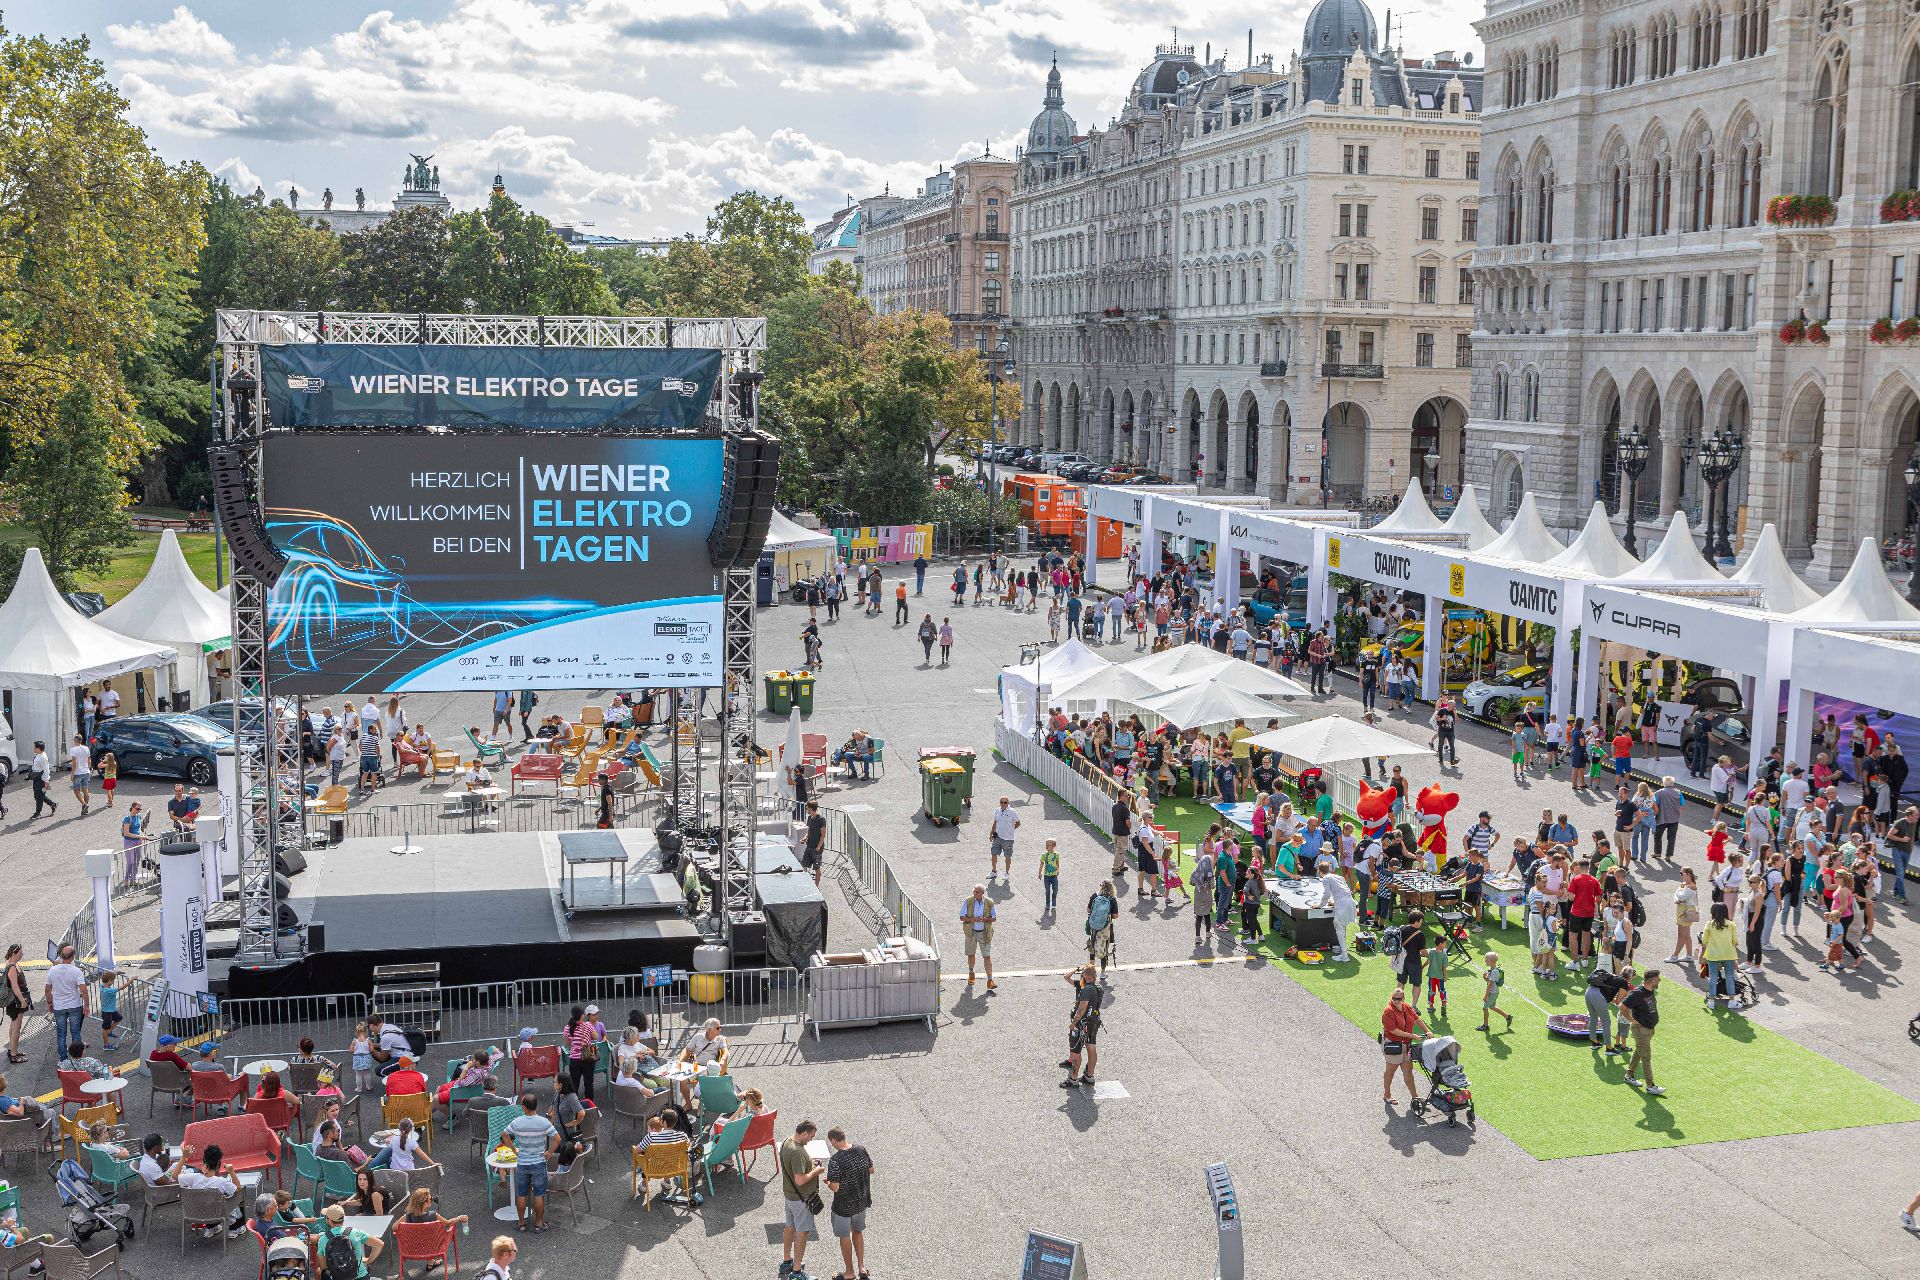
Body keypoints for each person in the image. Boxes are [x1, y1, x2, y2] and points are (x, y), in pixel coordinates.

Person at [504, 1092, 559, 1233]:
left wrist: (513, 1149)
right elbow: (557, 1139)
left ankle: (521, 1224)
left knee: (522, 1194)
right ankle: (539, 1224)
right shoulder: (544, 1122)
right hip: (539, 1162)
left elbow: (504, 1134)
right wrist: (549, 1152)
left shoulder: (517, 1122)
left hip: (522, 1162)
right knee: (539, 1194)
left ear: (524, 1107)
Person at [824, 1127, 874, 1280]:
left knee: (844, 1236)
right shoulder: (861, 1149)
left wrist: (828, 1182)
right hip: (861, 1202)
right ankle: (862, 1267)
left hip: (843, 1206)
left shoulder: (835, 1160)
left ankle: (849, 1272)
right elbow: (871, 1169)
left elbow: (835, 1187)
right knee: (858, 1232)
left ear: (833, 1140)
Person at [780, 1121, 825, 1280]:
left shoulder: (786, 1142)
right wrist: (817, 1170)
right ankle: (797, 1272)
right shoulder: (797, 1151)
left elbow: (793, 1170)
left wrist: (809, 1165)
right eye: (811, 1136)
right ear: (804, 1133)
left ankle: (787, 1261)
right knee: (802, 1232)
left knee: (789, 1227)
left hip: (789, 1195)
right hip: (801, 1199)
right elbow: (800, 1180)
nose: (810, 1140)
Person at [179, 1144, 249, 1236]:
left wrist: (184, 1157)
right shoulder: (222, 1182)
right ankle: (235, 1228)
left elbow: (175, 1176)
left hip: (196, 1214)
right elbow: (238, 1189)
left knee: (209, 1201)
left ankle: (211, 1228)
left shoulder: (193, 1177)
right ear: (218, 1166)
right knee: (238, 1195)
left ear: (203, 1164)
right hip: (217, 1215)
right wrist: (231, 1171)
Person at [1619, 970, 1665, 1095]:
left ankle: (1629, 1075)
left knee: (1639, 1052)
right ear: (1653, 980)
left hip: (1649, 1029)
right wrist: (1631, 1020)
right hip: (1641, 1030)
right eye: (1658, 979)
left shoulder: (1649, 989)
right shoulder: (1637, 994)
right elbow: (1622, 1007)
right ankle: (1650, 1086)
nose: (1660, 980)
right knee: (1646, 1057)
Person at [1380, 986, 1426, 1105]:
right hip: (1394, 1045)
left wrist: (1427, 1031)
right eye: (1394, 998)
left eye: (1399, 999)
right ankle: (1387, 1095)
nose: (1396, 1001)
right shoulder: (1388, 1011)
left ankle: (1415, 1098)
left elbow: (1417, 1019)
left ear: (1403, 998)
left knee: (1408, 1072)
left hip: (1406, 1045)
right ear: (1392, 997)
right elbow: (1393, 1030)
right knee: (1390, 1071)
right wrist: (1412, 1036)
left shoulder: (1406, 1007)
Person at [1060, 963, 1103, 1088]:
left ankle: (1073, 1079)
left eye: (1083, 973)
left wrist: (1073, 1023)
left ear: (1086, 974)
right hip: (1093, 1021)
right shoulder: (1097, 988)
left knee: (1076, 1051)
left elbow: (1082, 1008)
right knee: (1091, 1047)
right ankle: (1090, 1076)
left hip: (1082, 1024)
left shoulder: (1086, 989)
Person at [44, 943, 87, 1060]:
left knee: (61, 1034)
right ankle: (77, 1057)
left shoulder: (53, 970)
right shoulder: (76, 971)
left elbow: (47, 989)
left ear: (61, 956)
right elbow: (84, 990)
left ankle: (63, 1058)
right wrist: (86, 1006)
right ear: (72, 957)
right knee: (75, 1032)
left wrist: (49, 1003)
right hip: (74, 1005)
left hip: (59, 1006)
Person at [316, 1204, 385, 1277]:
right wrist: (368, 1260)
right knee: (364, 1266)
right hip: (360, 1277)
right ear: (343, 1218)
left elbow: (323, 1266)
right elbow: (379, 1244)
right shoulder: (356, 1232)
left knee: (319, 1271)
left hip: (337, 1277)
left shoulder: (323, 1239)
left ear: (329, 1220)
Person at [959, 884, 996, 990]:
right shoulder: (968, 901)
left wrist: (985, 919)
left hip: (984, 932)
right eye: (974, 891)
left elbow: (993, 918)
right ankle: (971, 973)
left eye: (977, 892)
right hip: (971, 932)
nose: (975, 893)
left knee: (987, 956)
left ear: (982, 893)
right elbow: (962, 917)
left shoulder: (989, 903)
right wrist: (973, 919)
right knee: (971, 954)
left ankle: (990, 980)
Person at [1085, 879, 1119, 977]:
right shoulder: (1112, 899)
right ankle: (1103, 972)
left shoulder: (1095, 896)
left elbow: (1088, 910)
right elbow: (1115, 915)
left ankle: (1092, 971)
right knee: (1104, 946)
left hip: (1093, 926)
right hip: (1105, 927)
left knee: (1092, 946)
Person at [3, 944, 29, 1064]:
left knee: (14, 1026)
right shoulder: (12, 967)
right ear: (14, 953)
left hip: (15, 1000)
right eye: (20, 953)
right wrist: (22, 1001)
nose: (22, 954)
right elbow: (15, 986)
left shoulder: (12, 964)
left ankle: (12, 1049)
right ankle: (14, 1055)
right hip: (16, 1001)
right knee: (16, 1028)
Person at [1476, 951, 1512, 1032]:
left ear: (1491, 961)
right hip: (1493, 992)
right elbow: (1489, 981)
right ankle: (1507, 1017)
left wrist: (1486, 995)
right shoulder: (1491, 970)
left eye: (1486, 959)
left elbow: (1490, 984)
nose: (1485, 960)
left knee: (1485, 1008)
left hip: (1492, 992)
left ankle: (1485, 1025)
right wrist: (1484, 978)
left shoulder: (1494, 972)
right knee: (1492, 1007)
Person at [988, 796, 1019, 880]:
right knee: (994, 853)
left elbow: (1018, 823)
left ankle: (1006, 873)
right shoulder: (997, 810)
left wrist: (1011, 829)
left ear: (1008, 803)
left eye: (1005, 802)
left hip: (1008, 839)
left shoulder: (1012, 812)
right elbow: (995, 822)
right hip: (997, 837)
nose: (1003, 804)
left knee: (1007, 856)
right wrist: (991, 833)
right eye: (1001, 802)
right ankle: (994, 872)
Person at [27, 741, 56, 819]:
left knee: (39, 796)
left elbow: (46, 770)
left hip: (41, 779)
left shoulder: (43, 757)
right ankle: (52, 804)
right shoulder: (38, 755)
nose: (33, 748)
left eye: (34, 747)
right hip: (36, 777)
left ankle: (38, 813)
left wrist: (46, 781)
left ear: (38, 748)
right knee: (39, 795)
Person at [1038, 838, 1061, 915]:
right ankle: (1047, 904)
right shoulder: (1044, 855)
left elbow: (1057, 863)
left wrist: (1058, 870)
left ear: (1053, 846)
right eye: (1046, 845)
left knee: (1055, 890)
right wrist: (1040, 872)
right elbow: (1041, 863)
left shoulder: (1056, 854)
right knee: (1047, 891)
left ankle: (1054, 901)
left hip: (1054, 876)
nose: (1046, 847)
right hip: (1047, 876)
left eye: (1048, 845)